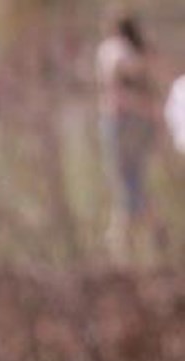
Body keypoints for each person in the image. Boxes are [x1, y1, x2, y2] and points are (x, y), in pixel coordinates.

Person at [95, 8, 166, 259]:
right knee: (130, 184)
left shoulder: (113, 49)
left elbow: (117, 88)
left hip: (121, 122)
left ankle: (123, 245)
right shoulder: (138, 52)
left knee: (126, 185)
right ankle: (127, 242)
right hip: (139, 122)